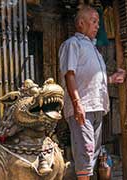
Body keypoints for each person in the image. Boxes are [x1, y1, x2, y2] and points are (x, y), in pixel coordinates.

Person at [58, 5, 126, 180]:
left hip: (96, 106)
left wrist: (112, 78)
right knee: (85, 153)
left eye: (98, 22)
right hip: (83, 107)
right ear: (81, 23)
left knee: (92, 154)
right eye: (94, 22)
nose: (97, 26)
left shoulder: (92, 48)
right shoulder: (72, 44)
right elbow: (69, 74)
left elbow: (93, 79)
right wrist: (77, 103)